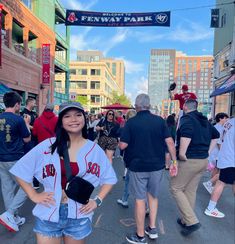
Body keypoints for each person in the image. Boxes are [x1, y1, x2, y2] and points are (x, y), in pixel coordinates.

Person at [9, 101, 117, 244]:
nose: (73, 119)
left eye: (78, 115)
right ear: (61, 121)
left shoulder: (94, 150)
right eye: (67, 116)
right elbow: (20, 169)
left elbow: (110, 178)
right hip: (48, 212)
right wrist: (33, 195)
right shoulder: (48, 145)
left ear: (84, 118)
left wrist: (97, 200)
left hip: (78, 215)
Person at [119, 94, 177, 244]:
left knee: (139, 200)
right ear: (149, 105)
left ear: (136, 106)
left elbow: (122, 145)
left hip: (138, 167)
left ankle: (139, 236)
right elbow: (170, 142)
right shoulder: (159, 121)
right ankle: (152, 228)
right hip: (157, 167)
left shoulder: (131, 123)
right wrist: (174, 162)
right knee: (153, 197)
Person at [170, 99, 219, 236]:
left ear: (185, 107)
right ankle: (186, 220)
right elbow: (216, 136)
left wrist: (182, 153)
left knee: (175, 188)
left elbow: (186, 134)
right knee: (190, 191)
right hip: (202, 160)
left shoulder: (187, 119)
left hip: (190, 159)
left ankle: (191, 221)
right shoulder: (204, 119)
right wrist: (208, 152)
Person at [0, 91, 31, 232]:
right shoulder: (18, 119)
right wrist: (26, 123)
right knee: (27, 186)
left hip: (1, 159)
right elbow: (27, 139)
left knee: (7, 189)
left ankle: (13, 217)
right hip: (15, 158)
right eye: (20, 104)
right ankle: (11, 213)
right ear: (17, 104)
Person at [204, 118, 235, 218]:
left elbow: (221, 139)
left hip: (226, 157)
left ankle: (211, 207)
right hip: (231, 159)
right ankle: (210, 208)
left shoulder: (229, 122)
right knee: (221, 182)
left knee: (224, 182)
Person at [203, 112, 229, 194]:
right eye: (225, 118)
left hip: (215, 152)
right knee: (218, 169)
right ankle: (210, 184)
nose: (227, 120)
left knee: (216, 169)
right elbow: (219, 142)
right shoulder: (219, 128)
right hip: (217, 152)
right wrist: (224, 152)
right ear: (221, 119)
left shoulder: (216, 127)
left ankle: (211, 184)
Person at [117, 109, 137, 208]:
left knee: (129, 180)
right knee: (142, 183)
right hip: (143, 158)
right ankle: (145, 205)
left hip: (131, 157)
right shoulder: (141, 127)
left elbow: (122, 146)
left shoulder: (127, 127)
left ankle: (125, 199)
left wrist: (119, 143)